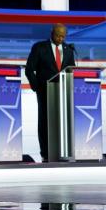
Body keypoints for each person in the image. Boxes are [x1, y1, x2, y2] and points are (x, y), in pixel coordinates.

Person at [25, 23, 75, 162]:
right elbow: (29, 69)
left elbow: (71, 69)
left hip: (64, 91)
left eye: (63, 36)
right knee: (45, 121)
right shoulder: (40, 47)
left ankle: (63, 151)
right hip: (45, 90)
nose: (60, 38)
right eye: (58, 35)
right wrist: (36, 87)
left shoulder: (69, 49)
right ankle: (45, 153)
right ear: (51, 33)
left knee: (63, 121)